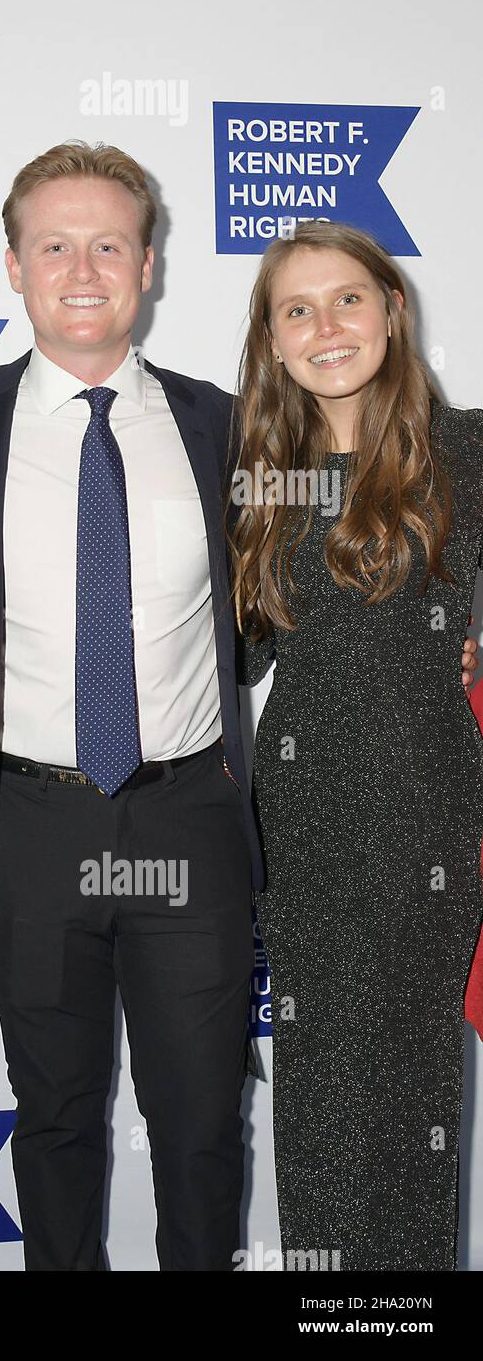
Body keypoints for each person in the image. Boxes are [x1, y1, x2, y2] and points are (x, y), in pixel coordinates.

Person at [0, 141, 262, 1270]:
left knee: (203, 1127)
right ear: (12, 265)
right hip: (23, 825)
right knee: (55, 1123)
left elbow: (297, 591)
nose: (80, 268)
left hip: (188, 820)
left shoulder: (227, 427)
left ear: (148, 265)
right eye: (53, 244)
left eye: (106, 244)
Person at [230, 221, 483, 1271]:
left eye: (347, 300)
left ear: (390, 310)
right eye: (297, 308)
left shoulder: (466, 448)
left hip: (433, 804)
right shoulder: (254, 471)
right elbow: (220, 649)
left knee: (419, 1099)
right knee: (323, 1100)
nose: (325, 326)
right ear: (273, 339)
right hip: (306, 820)